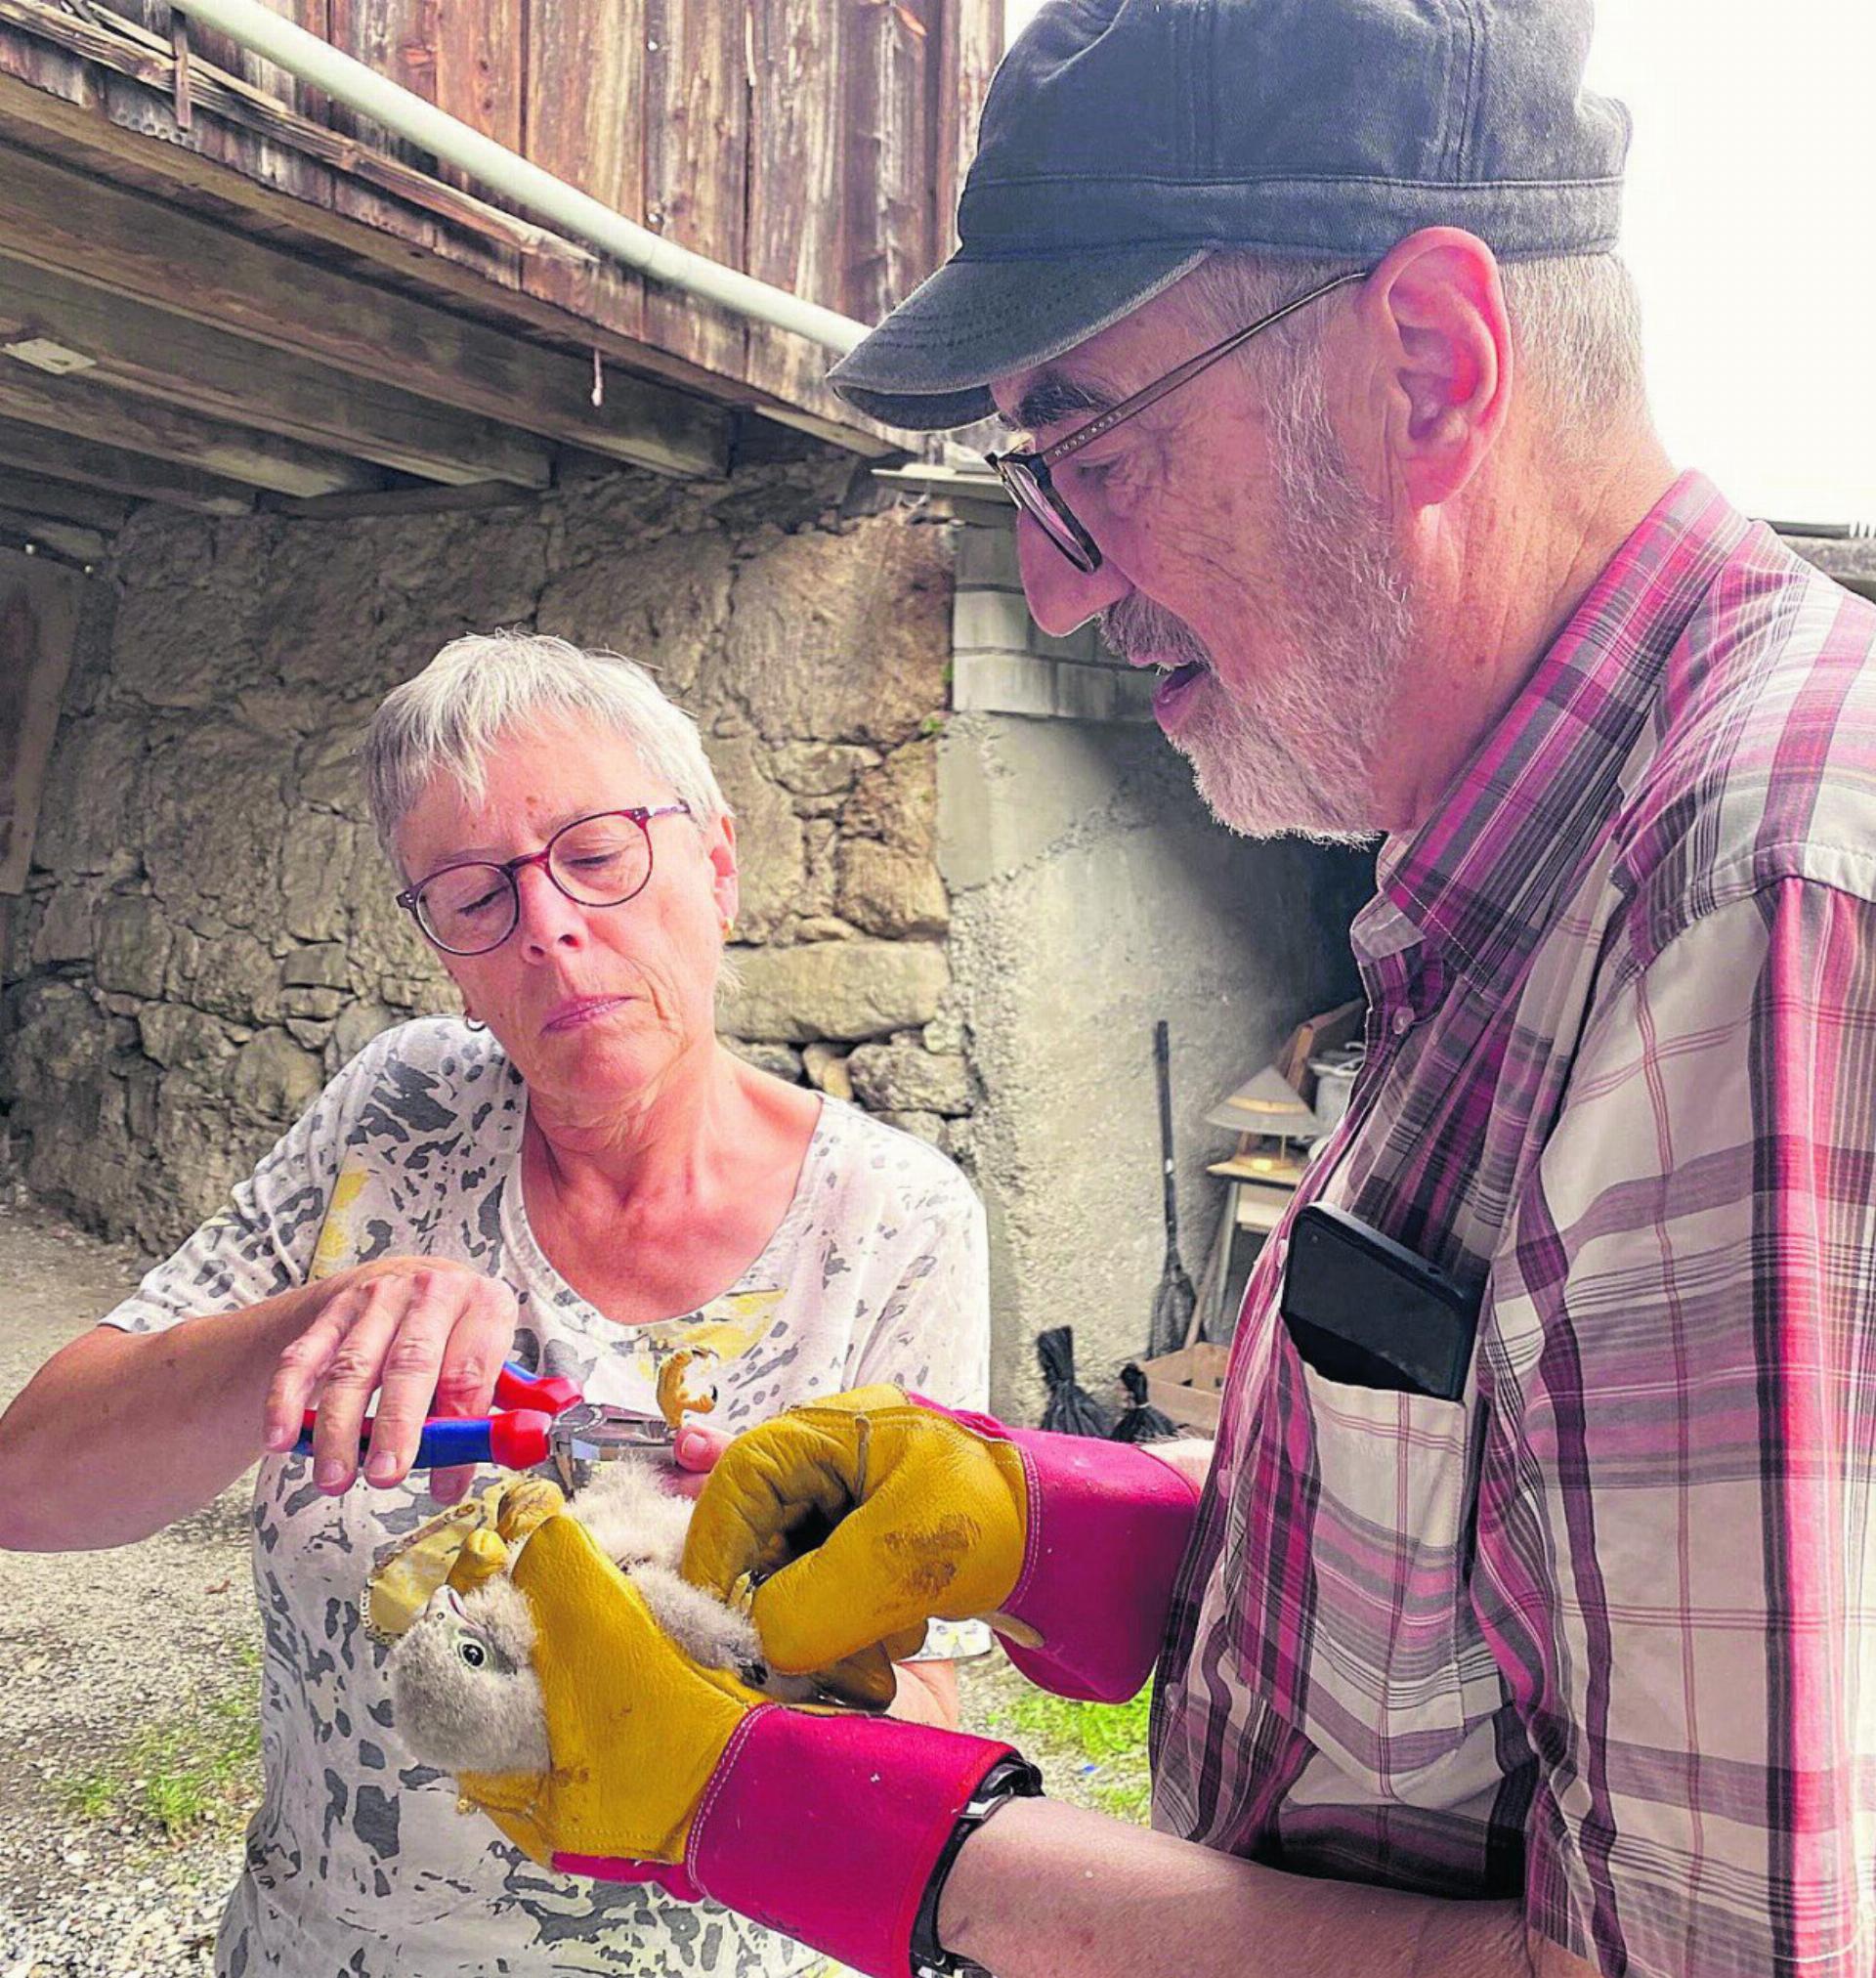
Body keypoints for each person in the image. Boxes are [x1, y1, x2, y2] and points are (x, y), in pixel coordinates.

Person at [358, 5, 1876, 1978]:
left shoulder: (1751, 901)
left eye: (1085, 445)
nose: (1053, 581)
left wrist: (823, 1824)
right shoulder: (1502, 842)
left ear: (1428, 364)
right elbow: (1506, 1577)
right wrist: (1041, 1520)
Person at [0, 630, 991, 1978]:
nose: (549, 928)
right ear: (446, 957)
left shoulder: (893, 1220)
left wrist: (743, 1662)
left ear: (715, 860)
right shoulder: (399, 1113)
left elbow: (926, 1695)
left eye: (595, 854)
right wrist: (307, 1332)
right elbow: (32, 1484)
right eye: (474, 896)